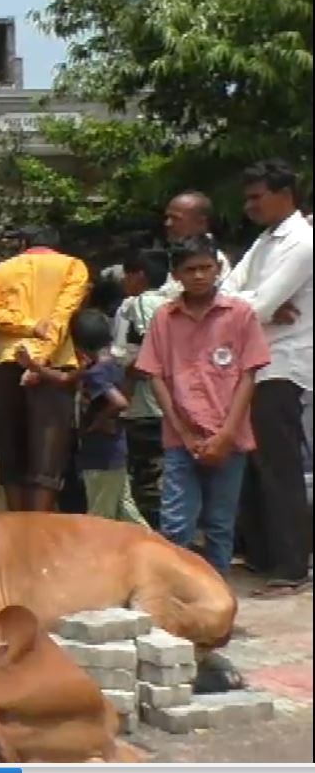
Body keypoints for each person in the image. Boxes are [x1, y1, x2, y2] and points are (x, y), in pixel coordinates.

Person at [134, 236, 268, 576]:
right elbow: (156, 376)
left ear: (218, 268)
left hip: (230, 438)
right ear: (176, 275)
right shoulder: (165, 318)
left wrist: (225, 435)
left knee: (220, 525)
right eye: (189, 270)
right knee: (177, 524)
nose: (198, 276)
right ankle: (178, 594)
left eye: (205, 268)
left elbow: (248, 376)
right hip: (182, 440)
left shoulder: (239, 315)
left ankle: (217, 594)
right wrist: (182, 431)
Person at [223, 159, 312, 597]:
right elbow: (227, 295)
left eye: (257, 196)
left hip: (283, 365)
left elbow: (251, 307)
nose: (250, 205)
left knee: (280, 468)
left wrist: (256, 306)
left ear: (284, 194)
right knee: (257, 467)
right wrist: (254, 305)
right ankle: (264, 556)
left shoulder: (301, 242)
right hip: (255, 365)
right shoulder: (264, 243)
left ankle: (291, 566)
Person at [0, 226, 90, 513]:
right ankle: (38, 526)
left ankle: (16, 523)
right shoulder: (73, 267)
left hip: (6, 361)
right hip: (54, 364)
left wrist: (25, 325)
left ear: (23, 245)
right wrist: (40, 361)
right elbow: (61, 317)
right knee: (48, 455)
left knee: (12, 444)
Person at [20, 309, 147, 526]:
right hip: (114, 453)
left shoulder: (95, 372)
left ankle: (101, 558)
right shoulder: (107, 364)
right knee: (124, 508)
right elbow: (65, 378)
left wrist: (99, 421)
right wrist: (34, 367)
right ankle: (156, 547)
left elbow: (119, 402)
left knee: (100, 520)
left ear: (77, 346)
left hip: (101, 458)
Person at [112, 249, 173, 528]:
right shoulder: (175, 300)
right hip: (163, 404)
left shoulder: (143, 302)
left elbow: (153, 347)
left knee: (146, 479)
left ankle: (155, 540)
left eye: (127, 274)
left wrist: (127, 376)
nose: (124, 280)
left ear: (139, 275)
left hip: (145, 404)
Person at [162, 192, 232, 292]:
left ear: (201, 222)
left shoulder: (211, 258)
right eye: (167, 218)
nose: (168, 223)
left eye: (176, 218)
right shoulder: (178, 252)